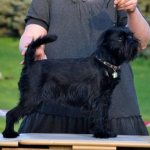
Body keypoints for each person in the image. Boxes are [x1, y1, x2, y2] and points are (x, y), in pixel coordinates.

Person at [19, 0, 150, 135]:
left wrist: (132, 11)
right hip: (55, 103)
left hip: (115, 107)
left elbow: (142, 42)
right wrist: (30, 45)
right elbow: (33, 29)